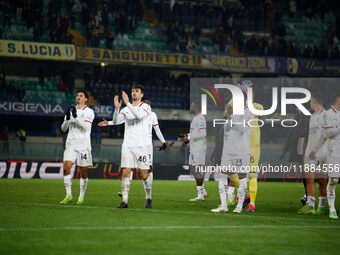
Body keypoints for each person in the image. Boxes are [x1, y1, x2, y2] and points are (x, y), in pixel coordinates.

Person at [98, 97, 167, 208]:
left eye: (148, 103)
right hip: (132, 144)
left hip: (146, 146)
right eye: (144, 103)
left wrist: (163, 141)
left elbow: (157, 129)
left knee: (146, 173)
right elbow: (122, 119)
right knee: (129, 169)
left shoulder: (152, 115)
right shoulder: (131, 111)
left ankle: (148, 197)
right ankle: (126, 195)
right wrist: (109, 123)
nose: (146, 105)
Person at [102, 85, 151, 208]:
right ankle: (125, 201)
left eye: (137, 91)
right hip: (128, 145)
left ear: (141, 95)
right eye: (133, 91)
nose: (134, 93)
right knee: (125, 172)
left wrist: (127, 103)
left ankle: (148, 197)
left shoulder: (146, 107)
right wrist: (117, 109)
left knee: (144, 175)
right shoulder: (126, 109)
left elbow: (139, 116)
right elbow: (117, 121)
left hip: (141, 146)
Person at [211, 83, 253, 213]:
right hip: (229, 150)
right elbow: (227, 129)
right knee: (222, 174)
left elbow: (243, 129)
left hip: (241, 150)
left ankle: (239, 206)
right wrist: (229, 117)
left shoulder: (249, 111)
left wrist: (232, 116)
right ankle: (224, 205)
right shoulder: (235, 111)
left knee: (241, 177)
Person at [59, 91, 95, 206]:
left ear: (86, 99)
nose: (78, 97)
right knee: (66, 168)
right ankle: (68, 195)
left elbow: (85, 127)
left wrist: (75, 117)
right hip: (71, 144)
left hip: (83, 146)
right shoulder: (70, 110)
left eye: (81, 96)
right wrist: (67, 118)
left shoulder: (89, 112)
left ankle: (81, 197)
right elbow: (63, 129)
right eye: (77, 95)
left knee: (83, 172)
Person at [310, 91, 340, 219]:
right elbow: (327, 133)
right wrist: (315, 149)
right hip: (333, 151)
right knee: (333, 179)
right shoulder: (327, 114)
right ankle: (331, 209)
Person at [298, 93, 327, 215]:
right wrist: (307, 151)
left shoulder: (326, 115)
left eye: (311, 101)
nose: (310, 103)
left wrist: (316, 150)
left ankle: (321, 206)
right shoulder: (313, 116)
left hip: (322, 153)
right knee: (309, 179)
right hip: (310, 154)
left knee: (322, 181)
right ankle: (310, 206)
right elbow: (311, 136)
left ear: (315, 102)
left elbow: (325, 136)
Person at [178, 101, 208, 202]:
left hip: (198, 148)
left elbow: (203, 133)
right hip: (195, 148)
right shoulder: (196, 118)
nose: (190, 107)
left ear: (196, 106)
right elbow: (194, 133)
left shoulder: (200, 118)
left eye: (191, 105)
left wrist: (189, 137)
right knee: (193, 169)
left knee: (196, 170)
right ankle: (202, 191)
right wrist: (185, 136)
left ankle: (201, 194)